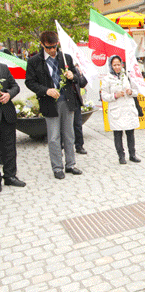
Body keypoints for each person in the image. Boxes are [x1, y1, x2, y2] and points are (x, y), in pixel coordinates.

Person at [25, 31, 84, 179]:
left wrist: (72, 75)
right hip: (49, 104)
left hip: (67, 101)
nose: (52, 50)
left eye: (54, 46)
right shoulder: (34, 61)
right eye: (48, 47)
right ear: (42, 45)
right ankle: (57, 167)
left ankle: (71, 164)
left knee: (69, 135)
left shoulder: (65, 57)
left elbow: (78, 78)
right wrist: (46, 90)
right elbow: (30, 82)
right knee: (53, 137)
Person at [101, 55, 141, 165]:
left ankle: (132, 154)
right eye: (114, 65)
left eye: (119, 64)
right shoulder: (107, 78)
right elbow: (104, 95)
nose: (117, 67)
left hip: (128, 108)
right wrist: (115, 95)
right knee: (118, 134)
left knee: (130, 133)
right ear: (111, 66)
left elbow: (136, 91)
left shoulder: (127, 75)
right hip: (116, 109)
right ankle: (121, 156)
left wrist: (130, 92)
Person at [0, 63, 26, 190]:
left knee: (9, 147)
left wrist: (9, 94)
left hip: (6, 115)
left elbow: (15, 86)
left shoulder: (3, 68)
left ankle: (10, 176)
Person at [73, 67, 89, 155]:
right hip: (64, 102)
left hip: (75, 101)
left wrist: (87, 75)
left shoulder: (74, 69)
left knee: (77, 125)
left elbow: (81, 83)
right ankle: (62, 145)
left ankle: (79, 146)